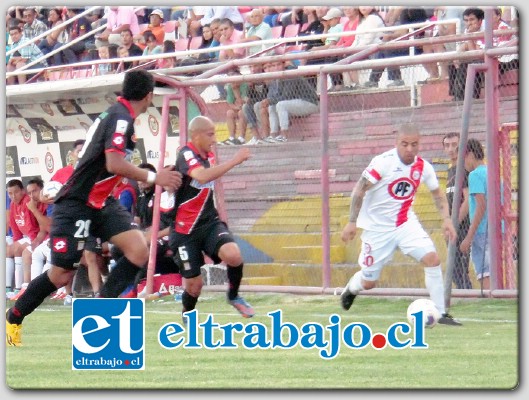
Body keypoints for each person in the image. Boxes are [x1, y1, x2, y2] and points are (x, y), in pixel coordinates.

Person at [6, 70, 182, 347]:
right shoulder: (120, 118)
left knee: (138, 249)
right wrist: (153, 176)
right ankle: (14, 316)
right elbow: (113, 163)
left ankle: (101, 309)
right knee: (60, 274)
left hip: (100, 202)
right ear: (148, 96)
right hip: (76, 203)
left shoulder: (118, 115)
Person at [340, 123, 462, 326]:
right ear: (397, 143)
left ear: (419, 144)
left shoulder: (423, 167)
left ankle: (441, 314)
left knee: (432, 259)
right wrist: (352, 222)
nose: (410, 149)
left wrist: (447, 220)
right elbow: (359, 189)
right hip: (377, 229)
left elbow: (437, 194)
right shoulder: (382, 163)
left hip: (405, 224)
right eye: (405, 144)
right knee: (369, 282)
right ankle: (352, 287)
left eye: (414, 144)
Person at [168, 116, 254, 322]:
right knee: (194, 286)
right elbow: (202, 176)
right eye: (210, 134)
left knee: (233, 255)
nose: (214, 139)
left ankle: (234, 296)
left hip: (209, 223)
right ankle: (187, 314)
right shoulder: (186, 153)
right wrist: (235, 160)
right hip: (184, 231)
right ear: (196, 136)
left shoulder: (208, 155)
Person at [442, 132, 472, 289]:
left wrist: (455, 223)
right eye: (447, 145)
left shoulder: (464, 169)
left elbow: (467, 200)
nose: (451, 149)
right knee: (454, 270)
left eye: (454, 144)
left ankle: (470, 297)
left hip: (463, 226)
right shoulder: (450, 171)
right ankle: (466, 295)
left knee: (459, 269)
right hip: (453, 227)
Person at [460, 139, 490, 291]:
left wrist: (469, 236)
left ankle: (491, 300)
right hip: (498, 228)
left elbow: (481, 205)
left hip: (482, 230)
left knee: (485, 271)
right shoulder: (492, 172)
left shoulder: (475, 175)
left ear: (470, 154)